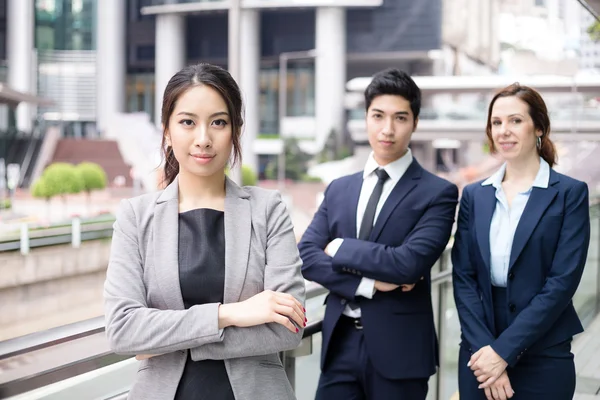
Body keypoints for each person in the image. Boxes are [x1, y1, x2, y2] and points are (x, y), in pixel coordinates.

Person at [103, 63, 306, 400]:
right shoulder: (135, 217)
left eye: (218, 123)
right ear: (167, 132)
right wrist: (230, 314)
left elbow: (288, 328)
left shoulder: (268, 209)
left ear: (235, 131)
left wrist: (168, 341)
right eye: (187, 122)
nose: (203, 139)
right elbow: (124, 330)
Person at [298, 68, 458, 400]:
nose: (388, 129)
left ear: (415, 122)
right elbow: (308, 256)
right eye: (378, 116)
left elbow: (407, 265)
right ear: (366, 118)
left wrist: (340, 247)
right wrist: (367, 284)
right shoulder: (340, 188)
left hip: (401, 353)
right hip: (339, 344)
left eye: (400, 118)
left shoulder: (438, 192)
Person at [452, 83, 590, 400]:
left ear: (539, 127)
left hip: (543, 351)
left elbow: (562, 282)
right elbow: (463, 276)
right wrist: (487, 352)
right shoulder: (475, 195)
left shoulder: (569, 193)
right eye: (496, 122)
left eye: (515, 120)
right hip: (479, 351)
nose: (504, 131)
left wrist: (503, 352)